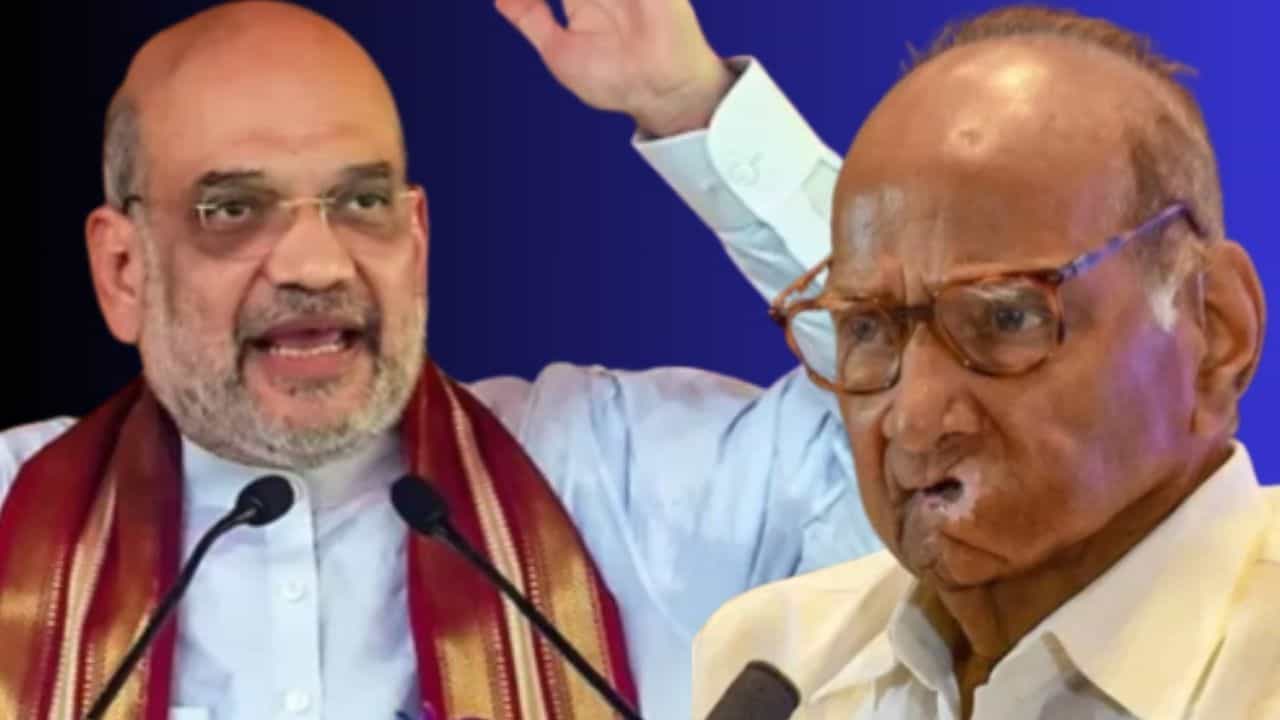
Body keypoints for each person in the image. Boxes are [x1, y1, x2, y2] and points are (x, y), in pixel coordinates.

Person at [0, 1, 881, 719]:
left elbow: (915, 435)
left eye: (362, 201)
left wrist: (692, 106)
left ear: (416, 242)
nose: (316, 265)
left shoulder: (611, 472)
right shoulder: (11, 506)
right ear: (124, 270)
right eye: (232, 210)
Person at [690, 6, 1279, 719]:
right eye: (867, 328)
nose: (914, 421)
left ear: (1216, 331)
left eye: (1006, 318)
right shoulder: (776, 663)